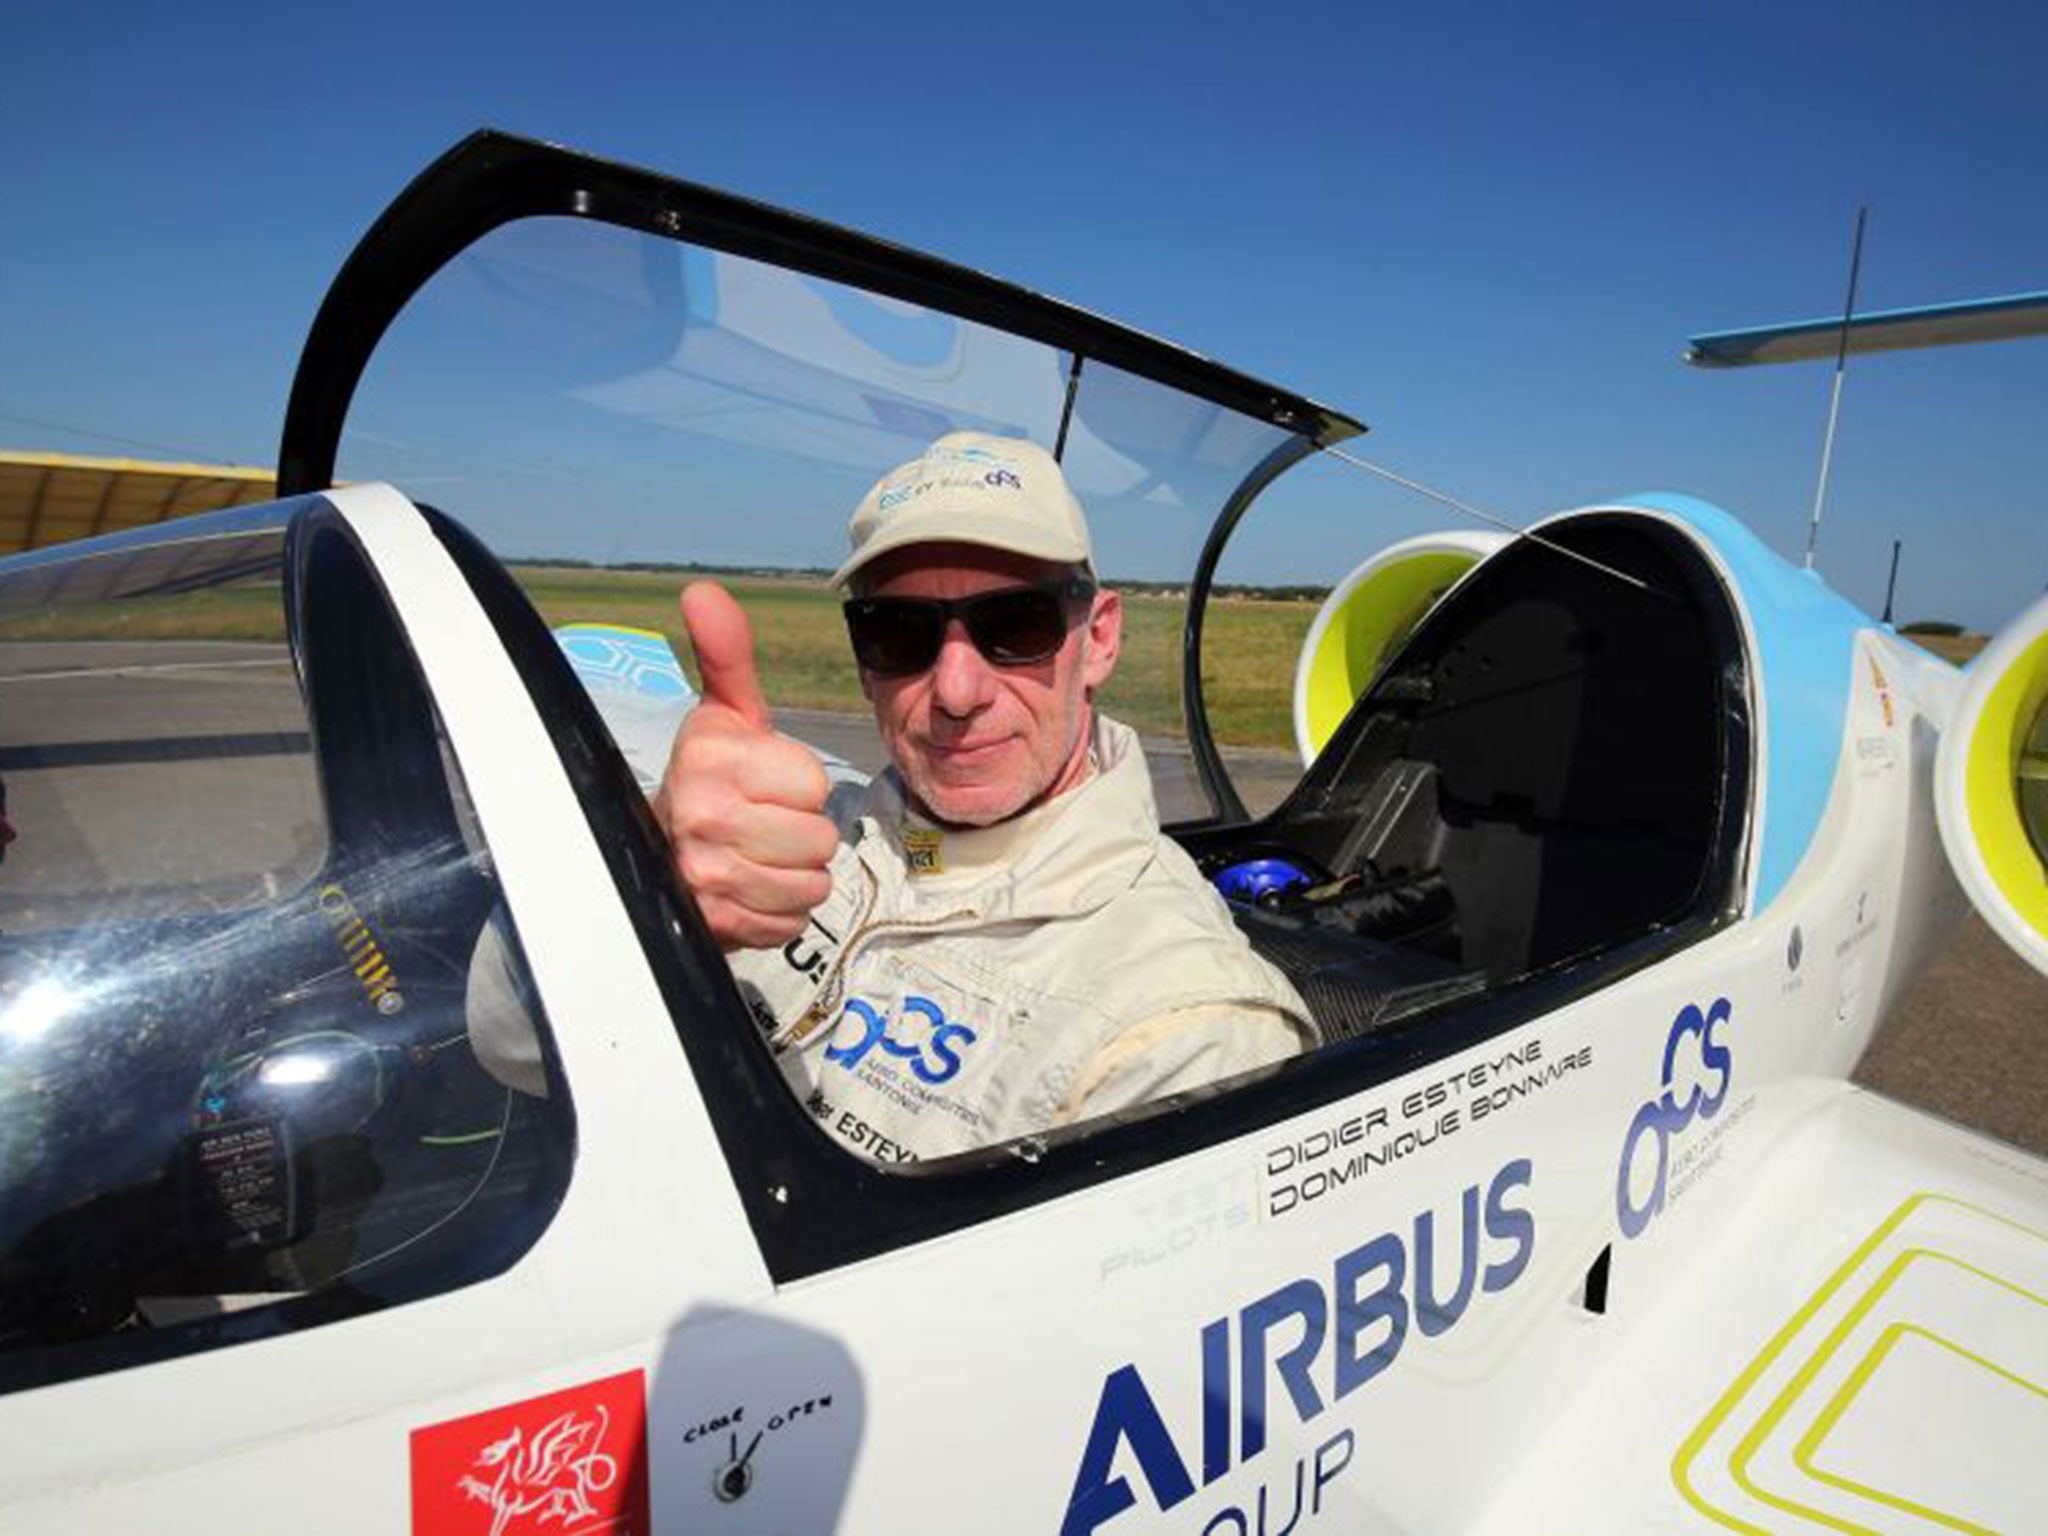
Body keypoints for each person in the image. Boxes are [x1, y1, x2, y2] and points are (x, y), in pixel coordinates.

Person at [653, 432, 1313, 1163]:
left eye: (1015, 625)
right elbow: (512, 1049)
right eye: (899, 633)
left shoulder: (1188, 1025)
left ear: (1097, 640)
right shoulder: (774, 839)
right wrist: (643, 893)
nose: (956, 693)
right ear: (863, 661)